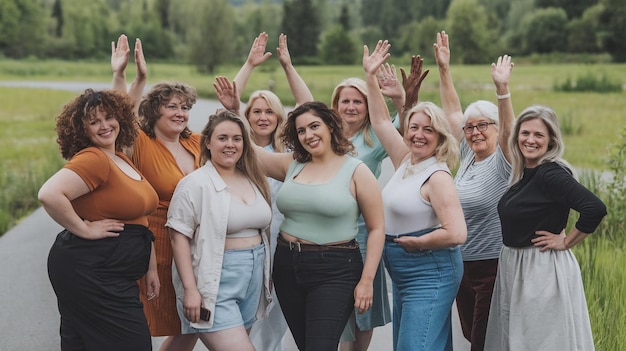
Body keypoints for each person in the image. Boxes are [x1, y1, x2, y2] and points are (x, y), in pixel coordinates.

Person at [229, 95, 385, 350]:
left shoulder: (356, 170)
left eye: (314, 126)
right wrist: (234, 110)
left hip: (335, 269)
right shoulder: (292, 164)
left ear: (330, 127)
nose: (308, 135)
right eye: (301, 130)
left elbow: (377, 228)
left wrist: (366, 281)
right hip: (288, 266)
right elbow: (245, 148)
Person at [363, 40, 467, 351]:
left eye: (428, 130)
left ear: (439, 136)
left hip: (430, 268)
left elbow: (457, 232)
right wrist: (370, 76)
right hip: (403, 270)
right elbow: (381, 121)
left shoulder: (437, 176)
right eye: (413, 128)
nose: (418, 135)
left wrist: (418, 243)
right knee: (421, 344)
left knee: (415, 346)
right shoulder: (406, 160)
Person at [39, 89, 159, 351]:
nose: (105, 126)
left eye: (109, 117)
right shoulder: (94, 158)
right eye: (94, 122)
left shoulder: (120, 158)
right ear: (82, 130)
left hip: (110, 271)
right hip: (92, 271)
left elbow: (141, 220)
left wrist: (150, 268)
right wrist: (84, 229)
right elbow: (49, 194)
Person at [484, 105, 607, 351]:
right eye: (525, 133)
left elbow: (594, 208)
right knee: (518, 339)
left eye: (538, 135)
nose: (530, 140)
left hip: (540, 270)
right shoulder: (526, 172)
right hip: (517, 267)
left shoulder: (550, 174)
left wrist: (565, 242)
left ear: (551, 140)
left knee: (540, 341)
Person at [221, 32, 313, 351]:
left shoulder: (290, 151)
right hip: (245, 246)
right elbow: (228, 107)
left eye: (269, 111)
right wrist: (248, 65)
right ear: (247, 117)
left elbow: (310, 107)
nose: (262, 117)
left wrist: (287, 66)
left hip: (284, 245)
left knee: (276, 319)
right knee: (243, 318)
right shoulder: (236, 148)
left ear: (279, 117)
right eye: (256, 111)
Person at [111, 34, 201, 350]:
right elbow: (121, 115)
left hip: (195, 247)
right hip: (156, 247)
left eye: (185, 107)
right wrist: (127, 76)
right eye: (172, 107)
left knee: (191, 325)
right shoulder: (141, 144)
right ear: (154, 113)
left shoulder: (197, 142)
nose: (180, 112)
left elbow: (237, 137)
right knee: (145, 324)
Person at [434, 30, 514, 351]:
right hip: (461, 265)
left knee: (483, 340)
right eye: (470, 127)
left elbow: (509, 130)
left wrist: (502, 91)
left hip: (492, 267)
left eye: (483, 125)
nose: (475, 131)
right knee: (471, 335)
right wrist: (443, 69)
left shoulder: (504, 160)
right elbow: (453, 111)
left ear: (495, 128)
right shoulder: (468, 154)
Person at [167, 110, 273, 350]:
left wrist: (266, 275)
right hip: (215, 279)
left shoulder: (253, 178)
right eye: (222, 138)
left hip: (253, 276)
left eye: (237, 139)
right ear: (208, 142)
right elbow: (178, 238)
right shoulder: (195, 184)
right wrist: (191, 290)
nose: (230, 145)